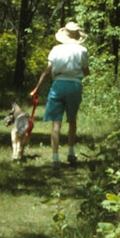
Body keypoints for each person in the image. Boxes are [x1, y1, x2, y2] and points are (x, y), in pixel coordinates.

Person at [31, 21, 90, 167]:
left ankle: (55, 158)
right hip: (75, 85)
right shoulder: (82, 50)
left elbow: (47, 71)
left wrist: (37, 88)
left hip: (58, 84)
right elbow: (86, 71)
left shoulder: (56, 49)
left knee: (56, 122)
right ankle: (70, 152)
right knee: (72, 120)